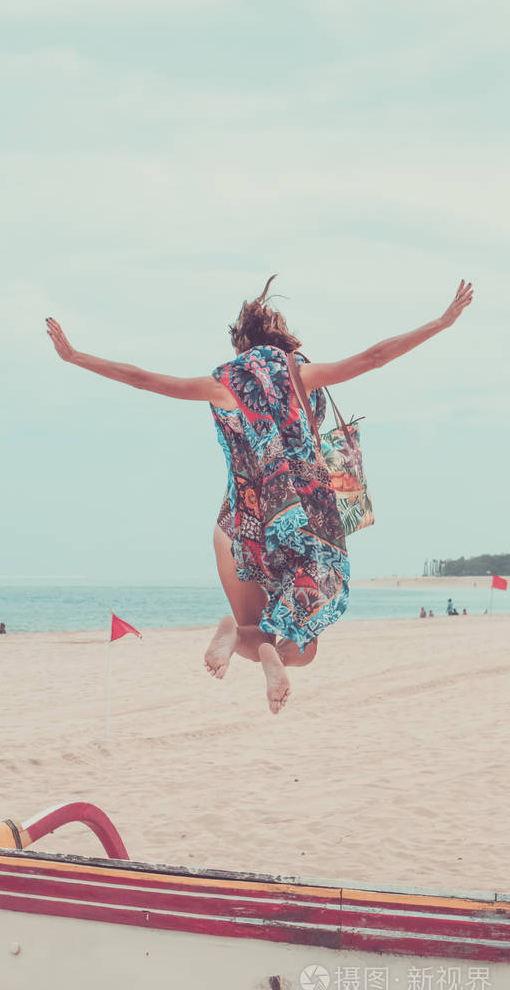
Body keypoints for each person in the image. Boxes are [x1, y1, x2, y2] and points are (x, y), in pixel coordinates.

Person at [46, 278, 473, 713]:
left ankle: (237, 636)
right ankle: (277, 656)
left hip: (239, 529)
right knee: (305, 643)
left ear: (240, 344)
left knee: (256, 630)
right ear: (280, 339)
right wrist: (441, 322)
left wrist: (75, 356)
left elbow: (143, 380)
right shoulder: (301, 376)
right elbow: (374, 358)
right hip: (306, 526)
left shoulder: (222, 385)